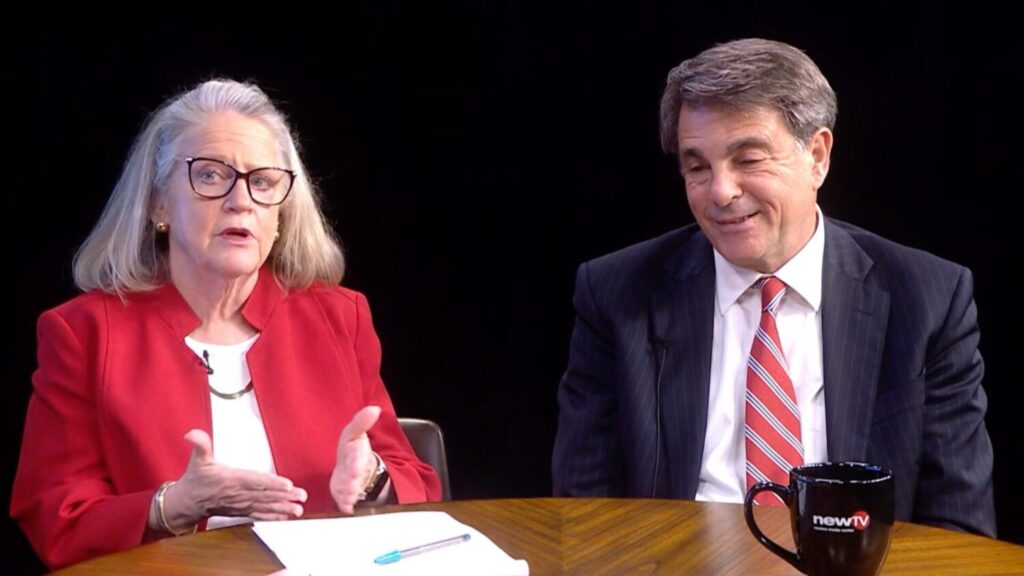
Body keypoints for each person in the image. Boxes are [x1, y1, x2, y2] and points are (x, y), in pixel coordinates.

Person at [551, 38, 995, 537]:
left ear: (817, 156)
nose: (721, 191)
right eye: (698, 167)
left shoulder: (928, 300)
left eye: (748, 159)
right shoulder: (616, 295)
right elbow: (584, 519)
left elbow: (958, 533)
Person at [10, 79, 441, 569]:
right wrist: (170, 507)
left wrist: (372, 478)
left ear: (281, 213)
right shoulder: (84, 334)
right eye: (211, 175)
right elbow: (58, 518)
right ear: (158, 203)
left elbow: (417, 482)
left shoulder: (339, 317)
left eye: (263, 182)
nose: (242, 200)